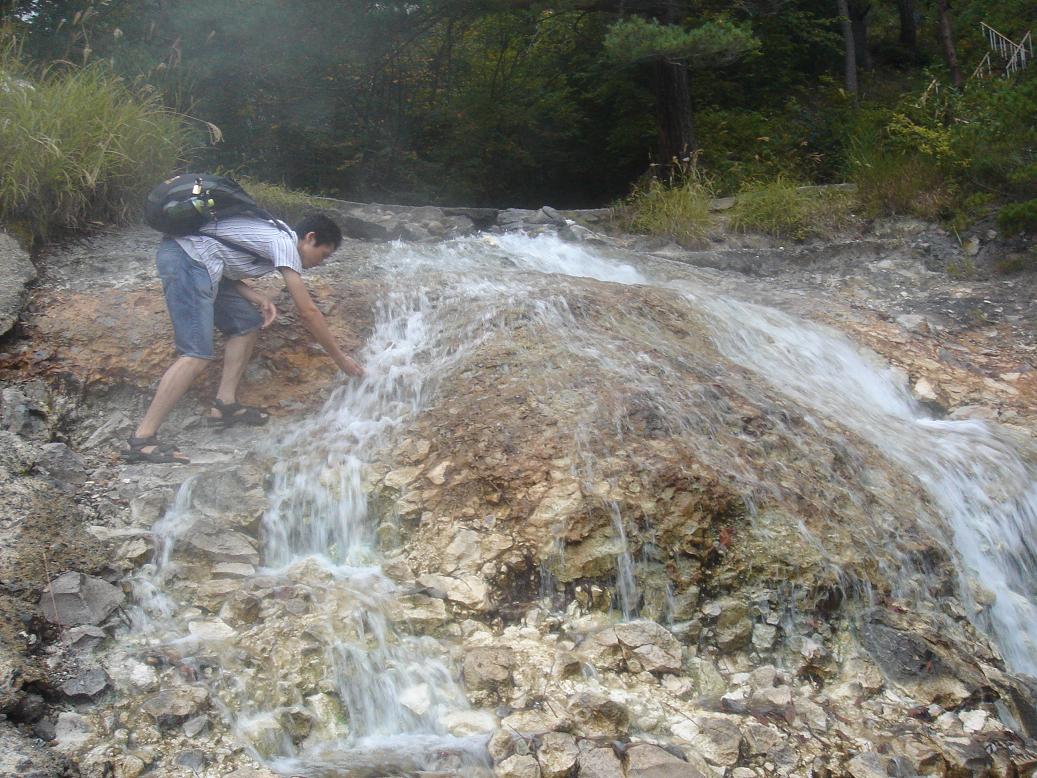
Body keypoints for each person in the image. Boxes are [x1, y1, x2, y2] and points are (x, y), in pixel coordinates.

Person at [126, 212, 364, 463]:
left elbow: (224, 261)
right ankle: (142, 439)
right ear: (310, 238)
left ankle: (225, 405)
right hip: (186, 259)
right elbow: (308, 312)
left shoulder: (276, 237)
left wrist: (256, 297)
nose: (320, 262)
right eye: (323, 254)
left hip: (203, 263)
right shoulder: (284, 243)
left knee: (246, 323)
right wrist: (340, 359)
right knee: (196, 354)